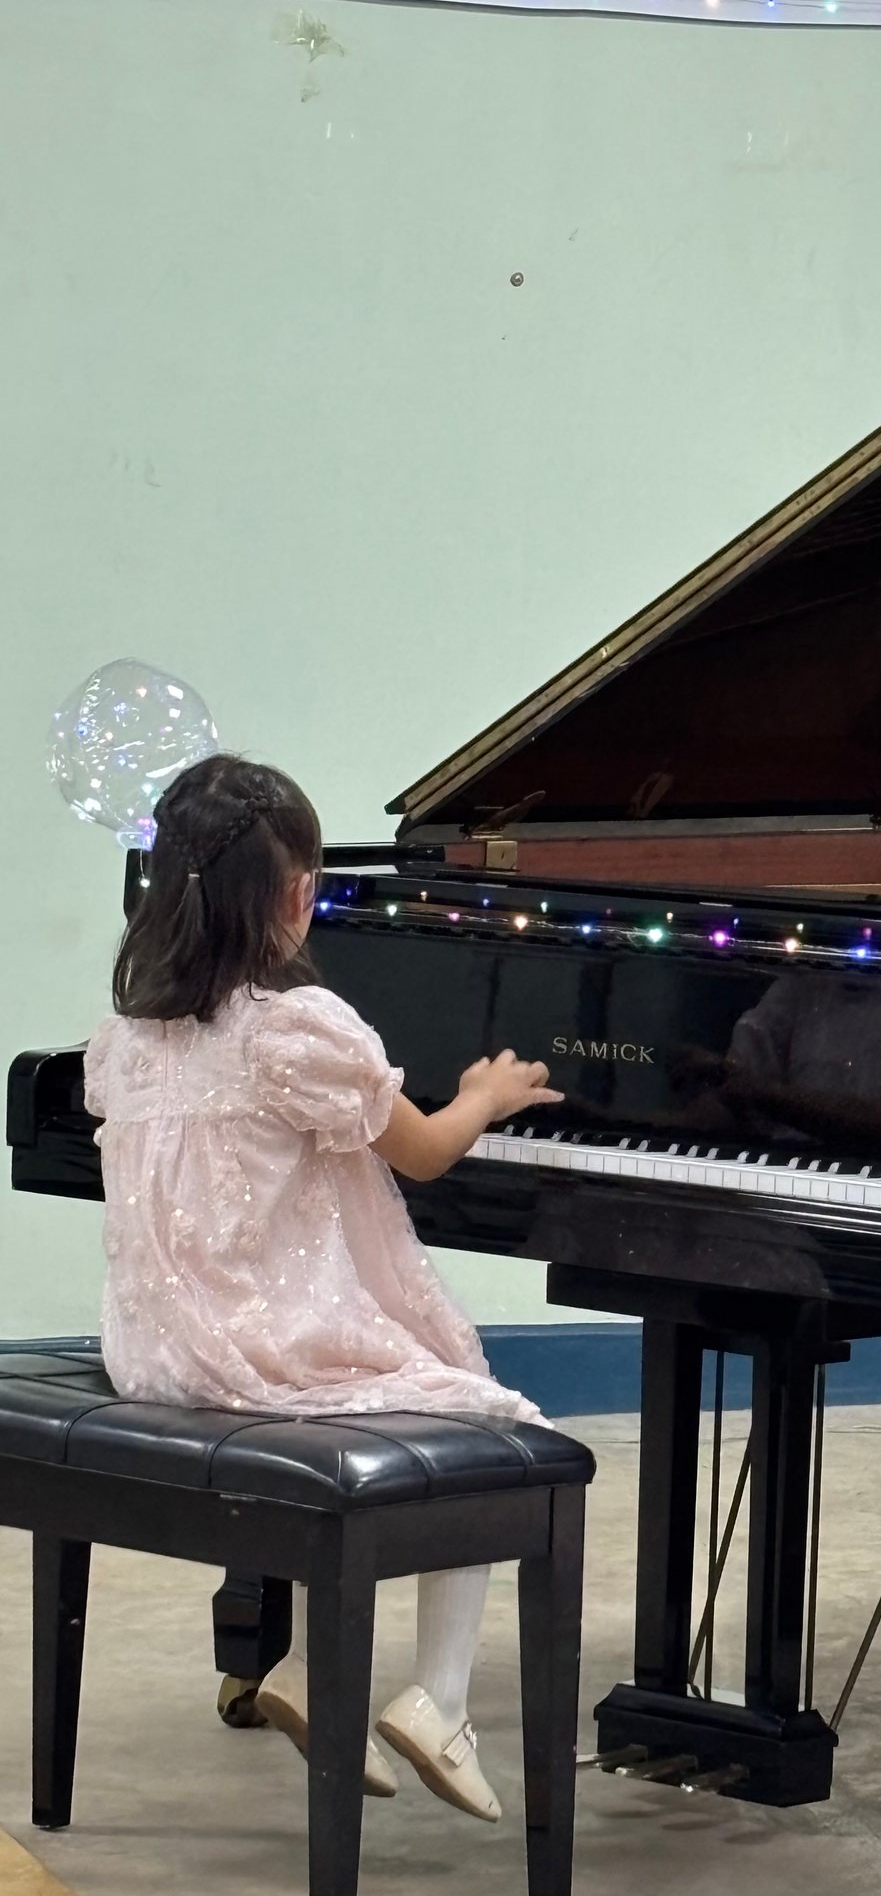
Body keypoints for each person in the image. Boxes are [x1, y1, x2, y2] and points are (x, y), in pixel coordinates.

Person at [82, 753, 563, 1822]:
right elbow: (427, 1151)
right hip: (257, 1348)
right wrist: (485, 1093)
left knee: (395, 1386)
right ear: (299, 893)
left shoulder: (122, 1035)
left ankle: (298, 1664)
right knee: (489, 1413)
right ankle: (439, 1698)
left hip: (153, 1343)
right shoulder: (302, 1028)